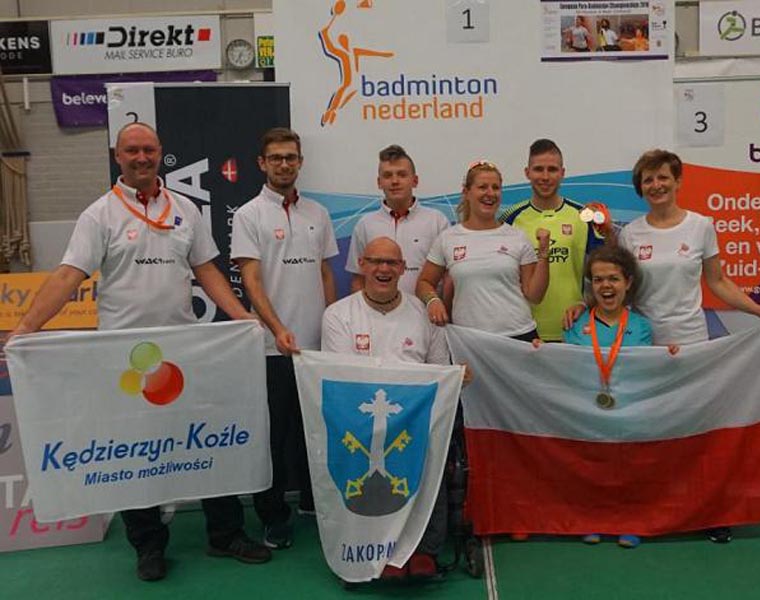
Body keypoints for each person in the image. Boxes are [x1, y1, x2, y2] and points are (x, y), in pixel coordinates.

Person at [9, 122, 271, 581]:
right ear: (118, 155)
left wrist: (241, 316)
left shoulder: (185, 209)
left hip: (183, 352)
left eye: (148, 149)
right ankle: (148, 546)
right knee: (132, 451)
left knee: (207, 439)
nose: (141, 157)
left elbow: (207, 269)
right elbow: (69, 275)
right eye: (132, 150)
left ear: (160, 152)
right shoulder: (100, 215)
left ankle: (225, 534)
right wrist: (26, 328)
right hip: (125, 359)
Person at [618, 148, 760, 544]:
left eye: (663, 177)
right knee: (648, 434)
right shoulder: (629, 234)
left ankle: (709, 512)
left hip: (692, 345)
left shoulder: (700, 226)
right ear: (640, 188)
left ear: (677, 181)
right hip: (645, 349)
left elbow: (718, 282)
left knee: (698, 434)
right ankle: (645, 513)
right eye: (648, 180)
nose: (656, 185)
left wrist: (759, 310)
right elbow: (620, 291)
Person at [323, 236, 464, 579]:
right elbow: (343, 378)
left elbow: (438, 372)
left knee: (433, 448)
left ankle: (425, 549)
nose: (383, 269)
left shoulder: (424, 314)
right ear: (362, 265)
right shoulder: (338, 315)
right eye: (375, 261)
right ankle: (372, 547)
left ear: (403, 269)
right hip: (360, 424)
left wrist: (457, 376)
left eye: (391, 262)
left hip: (415, 421)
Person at [231, 127, 338, 550]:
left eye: (290, 157)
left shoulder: (318, 213)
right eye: (275, 158)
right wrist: (277, 329)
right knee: (274, 437)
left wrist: (333, 329)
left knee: (316, 431)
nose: (283, 164)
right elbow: (251, 280)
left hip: (315, 348)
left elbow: (325, 273)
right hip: (270, 348)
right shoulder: (248, 215)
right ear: (262, 163)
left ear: (300, 162)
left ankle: (314, 501)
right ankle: (273, 517)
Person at [561, 245, 652, 548]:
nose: (606, 286)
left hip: (628, 413)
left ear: (628, 282)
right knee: (588, 466)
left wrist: (671, 357)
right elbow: (562, 369)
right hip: (586, 412)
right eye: (598, 280)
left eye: (613, 278)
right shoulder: (575, 324)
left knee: (628, 468)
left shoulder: (641, 327)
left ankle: (630, 521)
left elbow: (647, 370)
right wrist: (539, 354)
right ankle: (591, 518)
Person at [416, 161, 550, 342]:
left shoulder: (517, 237)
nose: (490, 193)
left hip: (519, 336)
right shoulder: (448, 238)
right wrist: (433, 300)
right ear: (466, 192)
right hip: (470, 341)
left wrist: (544, 253)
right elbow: (424, 283)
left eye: (496, 188)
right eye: (482, 187)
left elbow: (535, 296)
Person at [501, 139, 612, 342]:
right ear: (527, 172)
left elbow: (609, 271)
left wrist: (586, 304)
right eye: (538, 169)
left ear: (562, 172)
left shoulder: (583, 216)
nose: (545, 177)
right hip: (523, 330)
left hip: (573, 330)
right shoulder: (510, 218)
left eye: (552, 169)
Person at [346, 144, 449, 294]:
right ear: (379, 182)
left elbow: (448, 278)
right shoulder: (365, 225)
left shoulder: (437, 222)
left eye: (402, 174)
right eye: (388, 175)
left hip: (425, 308)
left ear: (415, 180)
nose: (395, 181)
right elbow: (359, 279)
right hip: (377, 309)